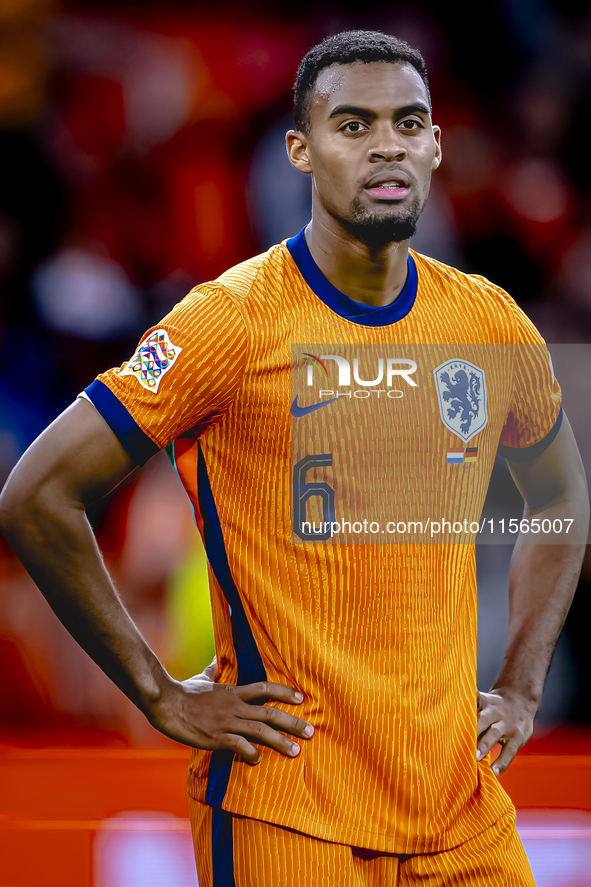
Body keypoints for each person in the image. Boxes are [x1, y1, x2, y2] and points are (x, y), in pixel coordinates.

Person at [0, 29, 588, 887]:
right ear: (301, 152)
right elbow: (38, 494)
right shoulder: (228, 320)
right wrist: (158, 691)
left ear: (433, 145)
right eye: (352, 125)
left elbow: (560, 496)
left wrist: (522, 684)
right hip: (290, 806)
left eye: (407, 122)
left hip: (458, 808)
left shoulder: (487, 321)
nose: (385, 143)